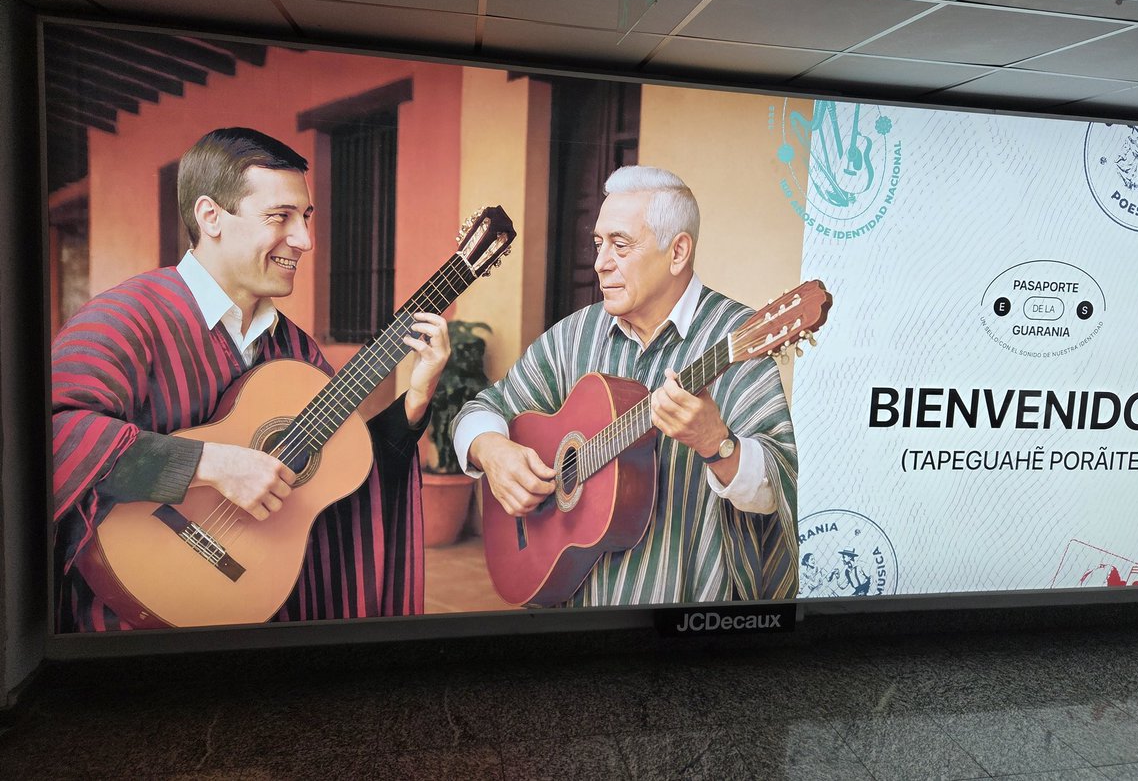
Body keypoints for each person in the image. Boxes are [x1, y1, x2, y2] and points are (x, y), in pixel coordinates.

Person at [52, 127, 449, 632]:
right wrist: (211, 463)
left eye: (305, 218)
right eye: (279, 217)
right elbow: (53, 437)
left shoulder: (295, 348)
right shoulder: (125, 318)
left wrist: (415, 398)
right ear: (210, 216)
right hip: (122, 627)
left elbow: (336, 476)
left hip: (251, 617)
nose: (304, 240)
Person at [453, 166, 798, 606]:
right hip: (581, 608)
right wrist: (491, 449)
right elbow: (483, 408)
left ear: (678, 253)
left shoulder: (739, 338)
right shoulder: (574, 335)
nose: (600, 263)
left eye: (620, 245)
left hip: (690, 614)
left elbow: (780, 491)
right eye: (598, 244)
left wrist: (717, 443)